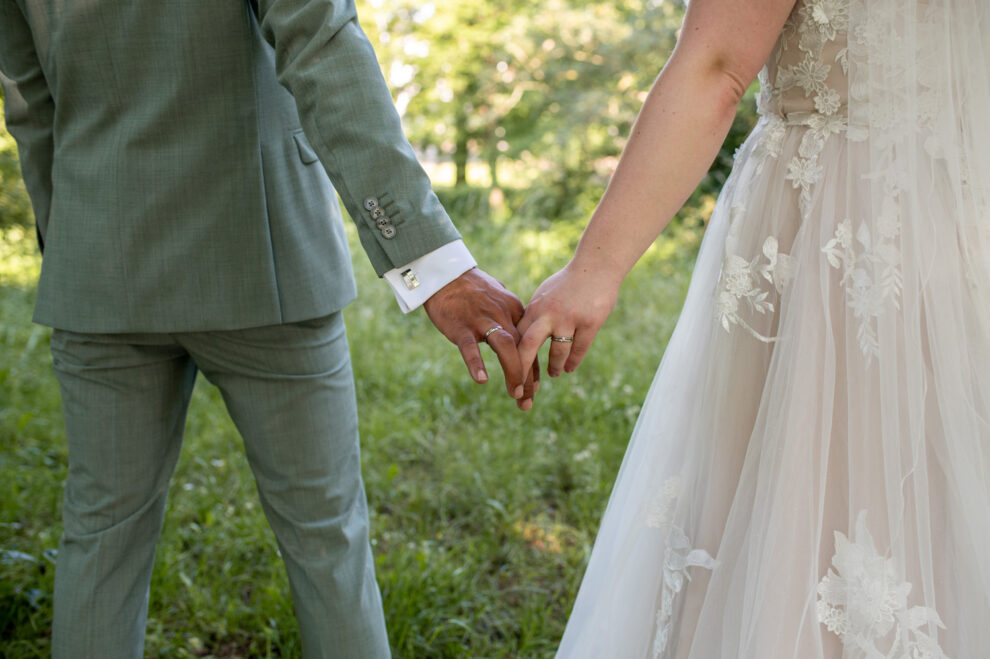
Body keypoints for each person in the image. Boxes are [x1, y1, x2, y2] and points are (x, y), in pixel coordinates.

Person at [0, 0, 537, 657]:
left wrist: (77, 251)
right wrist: (431, 262)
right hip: (266, 261)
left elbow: (29, 96)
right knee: (326, 537)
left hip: (100, 269)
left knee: (100, 534)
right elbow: (322, 47)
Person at [518, 0, 990, 656]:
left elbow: (717, 68)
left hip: (829, 218)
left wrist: (596, 267)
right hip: (964, 208)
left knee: (798, 497)